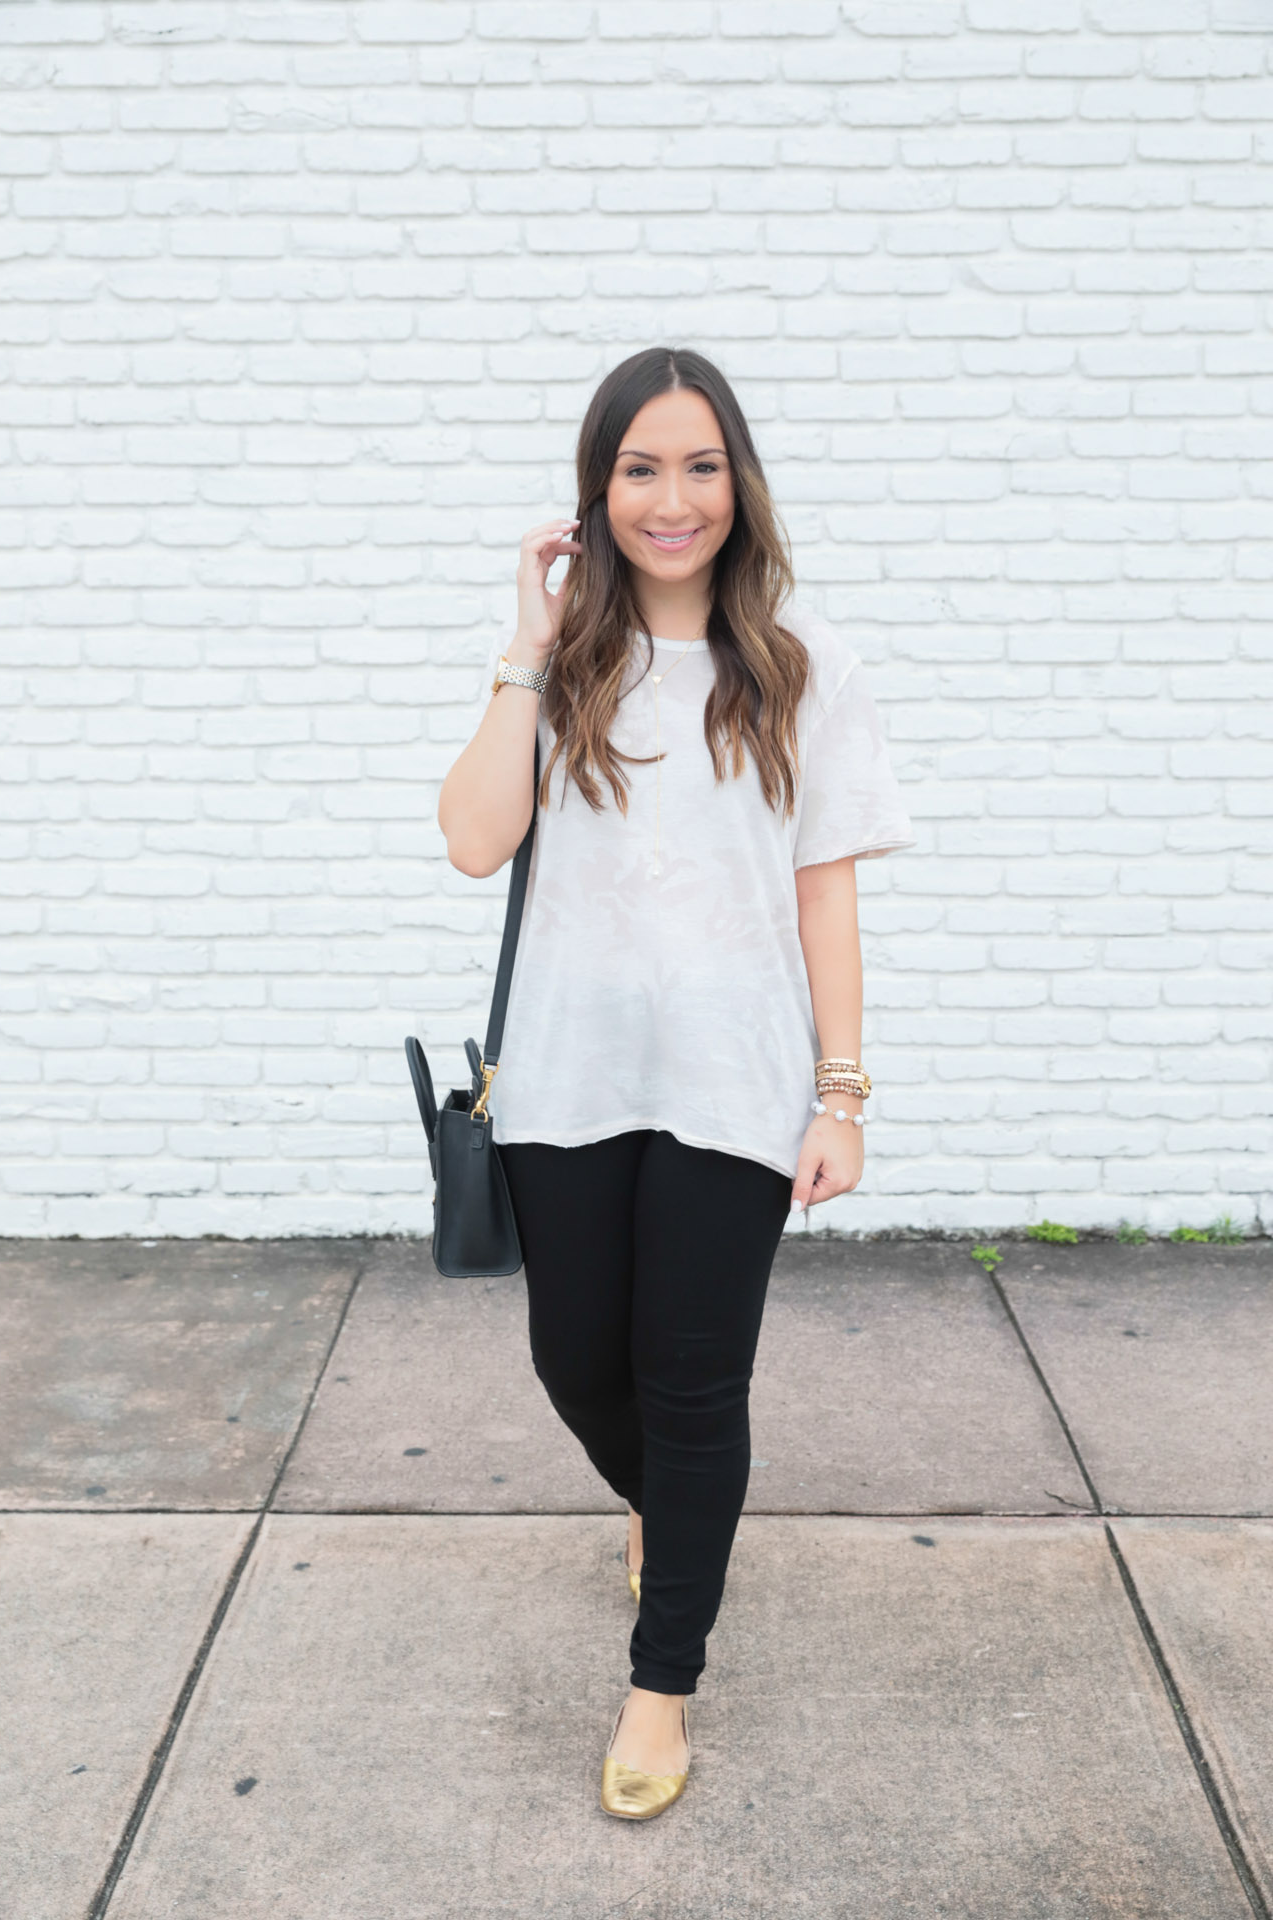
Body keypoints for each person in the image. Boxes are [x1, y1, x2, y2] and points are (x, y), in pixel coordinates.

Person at [437, 346, 915, 1820]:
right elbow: (471, 841)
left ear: (738, 482)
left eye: (700, 465)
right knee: (579, 1362)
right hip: (572, 1082)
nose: (672, 497)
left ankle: (664, 1684)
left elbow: (823, 896)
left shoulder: (801, 664)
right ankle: (667, 1513)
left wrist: (842, 1094)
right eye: (640, 467)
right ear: (598, 492)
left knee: (694, 1385)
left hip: (735, 1084)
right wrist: (526, 644)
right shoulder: (564, 666)